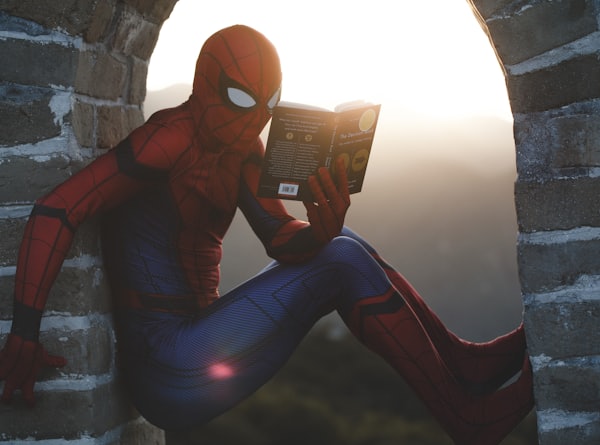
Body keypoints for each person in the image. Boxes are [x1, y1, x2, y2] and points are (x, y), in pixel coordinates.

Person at [0, 24, 533, 444]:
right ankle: (468, 419)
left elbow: (282, 239)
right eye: (239, 98)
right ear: (206, 84)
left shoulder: (242, 151)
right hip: (164, 364)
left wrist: (321, 226)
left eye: (269, 103)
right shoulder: (169, 139)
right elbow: (58, 208)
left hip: (202, 339)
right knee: (341, 261)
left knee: (344, 246)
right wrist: (24, 332)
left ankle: (466, 363)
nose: (255, 118)